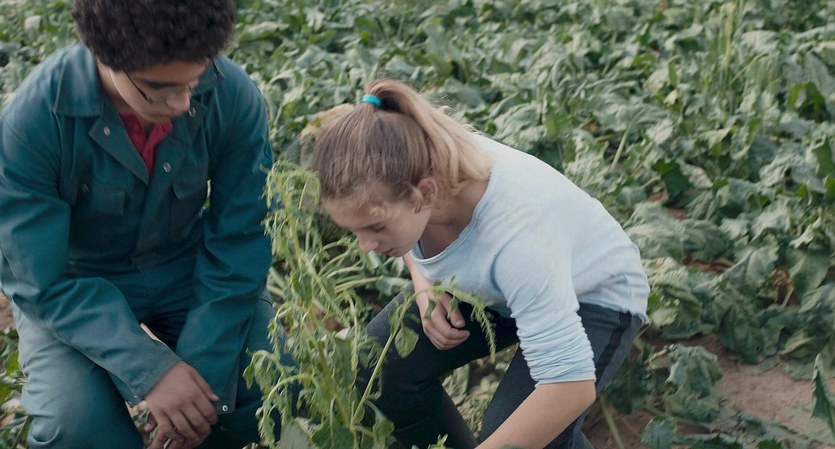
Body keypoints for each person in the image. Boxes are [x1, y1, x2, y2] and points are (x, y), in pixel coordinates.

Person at [0, 1, 294, 448]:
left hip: (186, 267)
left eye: (193, 83)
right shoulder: (34, 121)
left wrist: (198, 380)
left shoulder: (232, 93)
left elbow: (242, 234)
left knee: (272, 382)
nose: (181, 103)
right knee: (73, 423)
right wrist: (151, 371)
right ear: (104, 57)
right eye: (158, 89)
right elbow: (38, 279)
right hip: (72, 287)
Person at [311, 79, 649, 449]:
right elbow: (401, 224)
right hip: (500, 286)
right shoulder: (416, 164)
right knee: (376, 369)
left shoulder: (515, 236)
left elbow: (570, 385)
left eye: (375, 228)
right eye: (354, 231)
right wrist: (424, 283)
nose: (365, 247)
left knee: (526, 435)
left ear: (425, 193)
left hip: (593, 293)